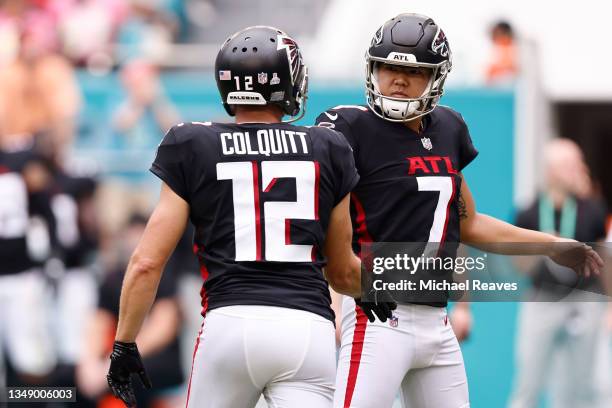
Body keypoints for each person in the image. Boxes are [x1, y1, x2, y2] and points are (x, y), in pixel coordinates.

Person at [315, 13, 603, 408]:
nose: (397, 80)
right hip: (378, 313)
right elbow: (333, 237)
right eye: (388, 67)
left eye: (411, 71)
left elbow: (469, 223)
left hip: (437, 320)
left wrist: (551, 245)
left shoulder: (448, 128)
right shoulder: (349, 127)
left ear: (437, 78)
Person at [105, 25, 392, 408]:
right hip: (306, 332)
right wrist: (376, 287)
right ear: (287, 83)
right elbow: (342, 272)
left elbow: (146, 262)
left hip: (230, 323)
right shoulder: (328, 146)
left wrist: (124, 343)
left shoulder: (193, 143)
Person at [509, 139, 610, 408]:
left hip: (585, 302)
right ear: (551, 170)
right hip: (542, 300)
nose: (579, 169)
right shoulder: (528, 213)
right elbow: (519, 267)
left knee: (581, 384)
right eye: (570, 165)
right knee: (528, 382)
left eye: (579, 163)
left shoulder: (593, 209)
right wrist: (545, 246)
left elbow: (606, 261)